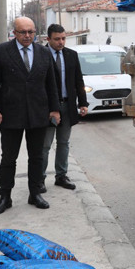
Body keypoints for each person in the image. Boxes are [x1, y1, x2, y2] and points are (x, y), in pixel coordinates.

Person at [0, 17, 60, 215]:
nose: (27, 36)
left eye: (31, 32)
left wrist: (55, 109)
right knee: (9, 158)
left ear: (35, 32)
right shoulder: (1, 52)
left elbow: (51, 84)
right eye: (22, 32)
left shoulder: (44, 53)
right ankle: (5, 197)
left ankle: (35, 193)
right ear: (15, 33)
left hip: (38, 113)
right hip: (11, 114)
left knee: (36, 156)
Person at [40, 24, 88, 192]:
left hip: (67, 105)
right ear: (48, 39)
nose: (61, 42)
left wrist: (83, 103)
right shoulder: (41, 55)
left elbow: (78, 81)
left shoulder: (71, 55)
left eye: (63, 38)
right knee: (44, 145)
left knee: (63, 142)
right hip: (47, 108)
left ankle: (61, 175)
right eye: (57, 39)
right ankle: (40, 179)